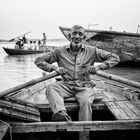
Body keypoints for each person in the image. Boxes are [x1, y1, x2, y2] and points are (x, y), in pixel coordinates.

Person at [34, 25, 120, 140]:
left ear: (84, 37)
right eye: (74, 33)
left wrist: (99, 67)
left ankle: (84, 137)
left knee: (85, 101)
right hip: (66, 85)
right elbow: (38, 60)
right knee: (51, 88)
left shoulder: (92, 51)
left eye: (80, 34)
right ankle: (62, 114)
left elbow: (115, 57)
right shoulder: (59, 51)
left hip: (85, 86)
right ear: (70, 36)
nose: (77, 36)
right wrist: (54, 68)